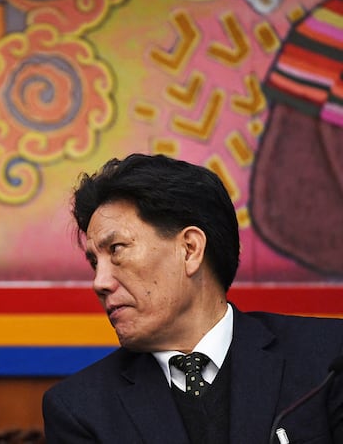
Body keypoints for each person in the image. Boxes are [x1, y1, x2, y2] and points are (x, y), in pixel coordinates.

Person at [42, 153, 343, 444]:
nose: (99, 282)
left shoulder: (327, 359)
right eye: (95, 262)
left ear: (189, 249)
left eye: (116, 250)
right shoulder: (80, 408)